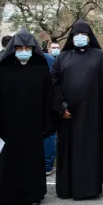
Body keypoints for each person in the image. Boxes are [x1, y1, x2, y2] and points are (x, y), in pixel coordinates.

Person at [0, 29, 54, 205]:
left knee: (30, 161)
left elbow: (48, 98)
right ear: (14, 48)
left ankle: (32, 195)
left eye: (28, 47)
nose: (24, 50)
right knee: (6, 161)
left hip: (32, 125)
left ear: (34, 48)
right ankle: (3, 196)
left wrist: (46, 122)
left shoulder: (41, 69)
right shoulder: (3, 68)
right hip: (7, 126)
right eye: (19, 47)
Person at [52, 20, 103, 200]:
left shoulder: (101, 57)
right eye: (76, 35)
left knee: (89, 152)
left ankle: (90, 188)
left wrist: (102, 111)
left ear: (89, 37)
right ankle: (66, 188)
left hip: (92, 116)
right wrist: (60, 107)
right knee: (68, 151)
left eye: (84, 35)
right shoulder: (62, 58)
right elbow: (53, 84)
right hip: (67, 116)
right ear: (72, 37)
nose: (80, 38)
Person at [40, 40, 57, 176]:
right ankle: (47, 165)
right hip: (51, 100)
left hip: (41, 101)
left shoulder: (46, 58)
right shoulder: (50, 59)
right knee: (50, 134)